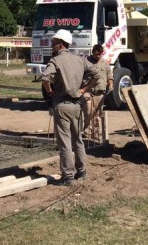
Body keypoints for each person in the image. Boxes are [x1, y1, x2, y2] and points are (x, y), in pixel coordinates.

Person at [41, 29, 98, 186]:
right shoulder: (79, 60)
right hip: (77, 105)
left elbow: (45, 78)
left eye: (53, 43)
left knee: (65, 142)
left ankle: (68, 177)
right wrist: (84, 90)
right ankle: (82, 172)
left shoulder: (56, 61)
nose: (52, 46)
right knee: (78, 139)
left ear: (60, 44)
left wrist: (50, 92)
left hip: (62, 105)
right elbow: (97, 75)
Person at [80, 44, 112, 133]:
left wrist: (111, 85)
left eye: (99, 54)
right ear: (92, 53)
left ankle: (95, 131)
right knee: (88, 109)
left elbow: (109, 76)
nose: (97, 56)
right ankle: (87, 129)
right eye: (95, 54)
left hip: (100, 91)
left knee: (97, 113)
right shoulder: (86, 62)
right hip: (87, 91)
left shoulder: (104, 63)